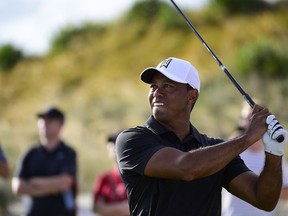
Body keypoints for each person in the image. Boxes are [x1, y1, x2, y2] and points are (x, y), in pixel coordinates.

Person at [115, 57, 288, 216]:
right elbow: (186, 168)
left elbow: (264, 200)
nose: (157, 93)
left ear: (191, 96)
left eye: (168, 86)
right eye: (153, 86)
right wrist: (248, 137)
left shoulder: (216, 149)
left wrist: (274, 151)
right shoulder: (132, 140)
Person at [222, 102, 288, 216]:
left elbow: (285, 193)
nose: (249, 122)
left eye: (253, 118)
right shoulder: (231, 149)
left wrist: (265, 187)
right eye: (247, 118)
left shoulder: (274, 154)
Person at [12, 107, 78, 216]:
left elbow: (64, 183)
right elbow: (17, 187)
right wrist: (52, 187)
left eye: (50, 120)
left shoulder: (68, 153)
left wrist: (34, 182)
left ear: (60, 125)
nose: (44, 123)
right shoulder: (30, 154)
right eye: (42, 120)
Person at [92, 131, 129, 216]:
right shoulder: (104, 178)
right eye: (112, 144)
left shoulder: (138, 176)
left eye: (116, 143)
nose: (113, 148)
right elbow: (97, 208)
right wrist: (124, 208)